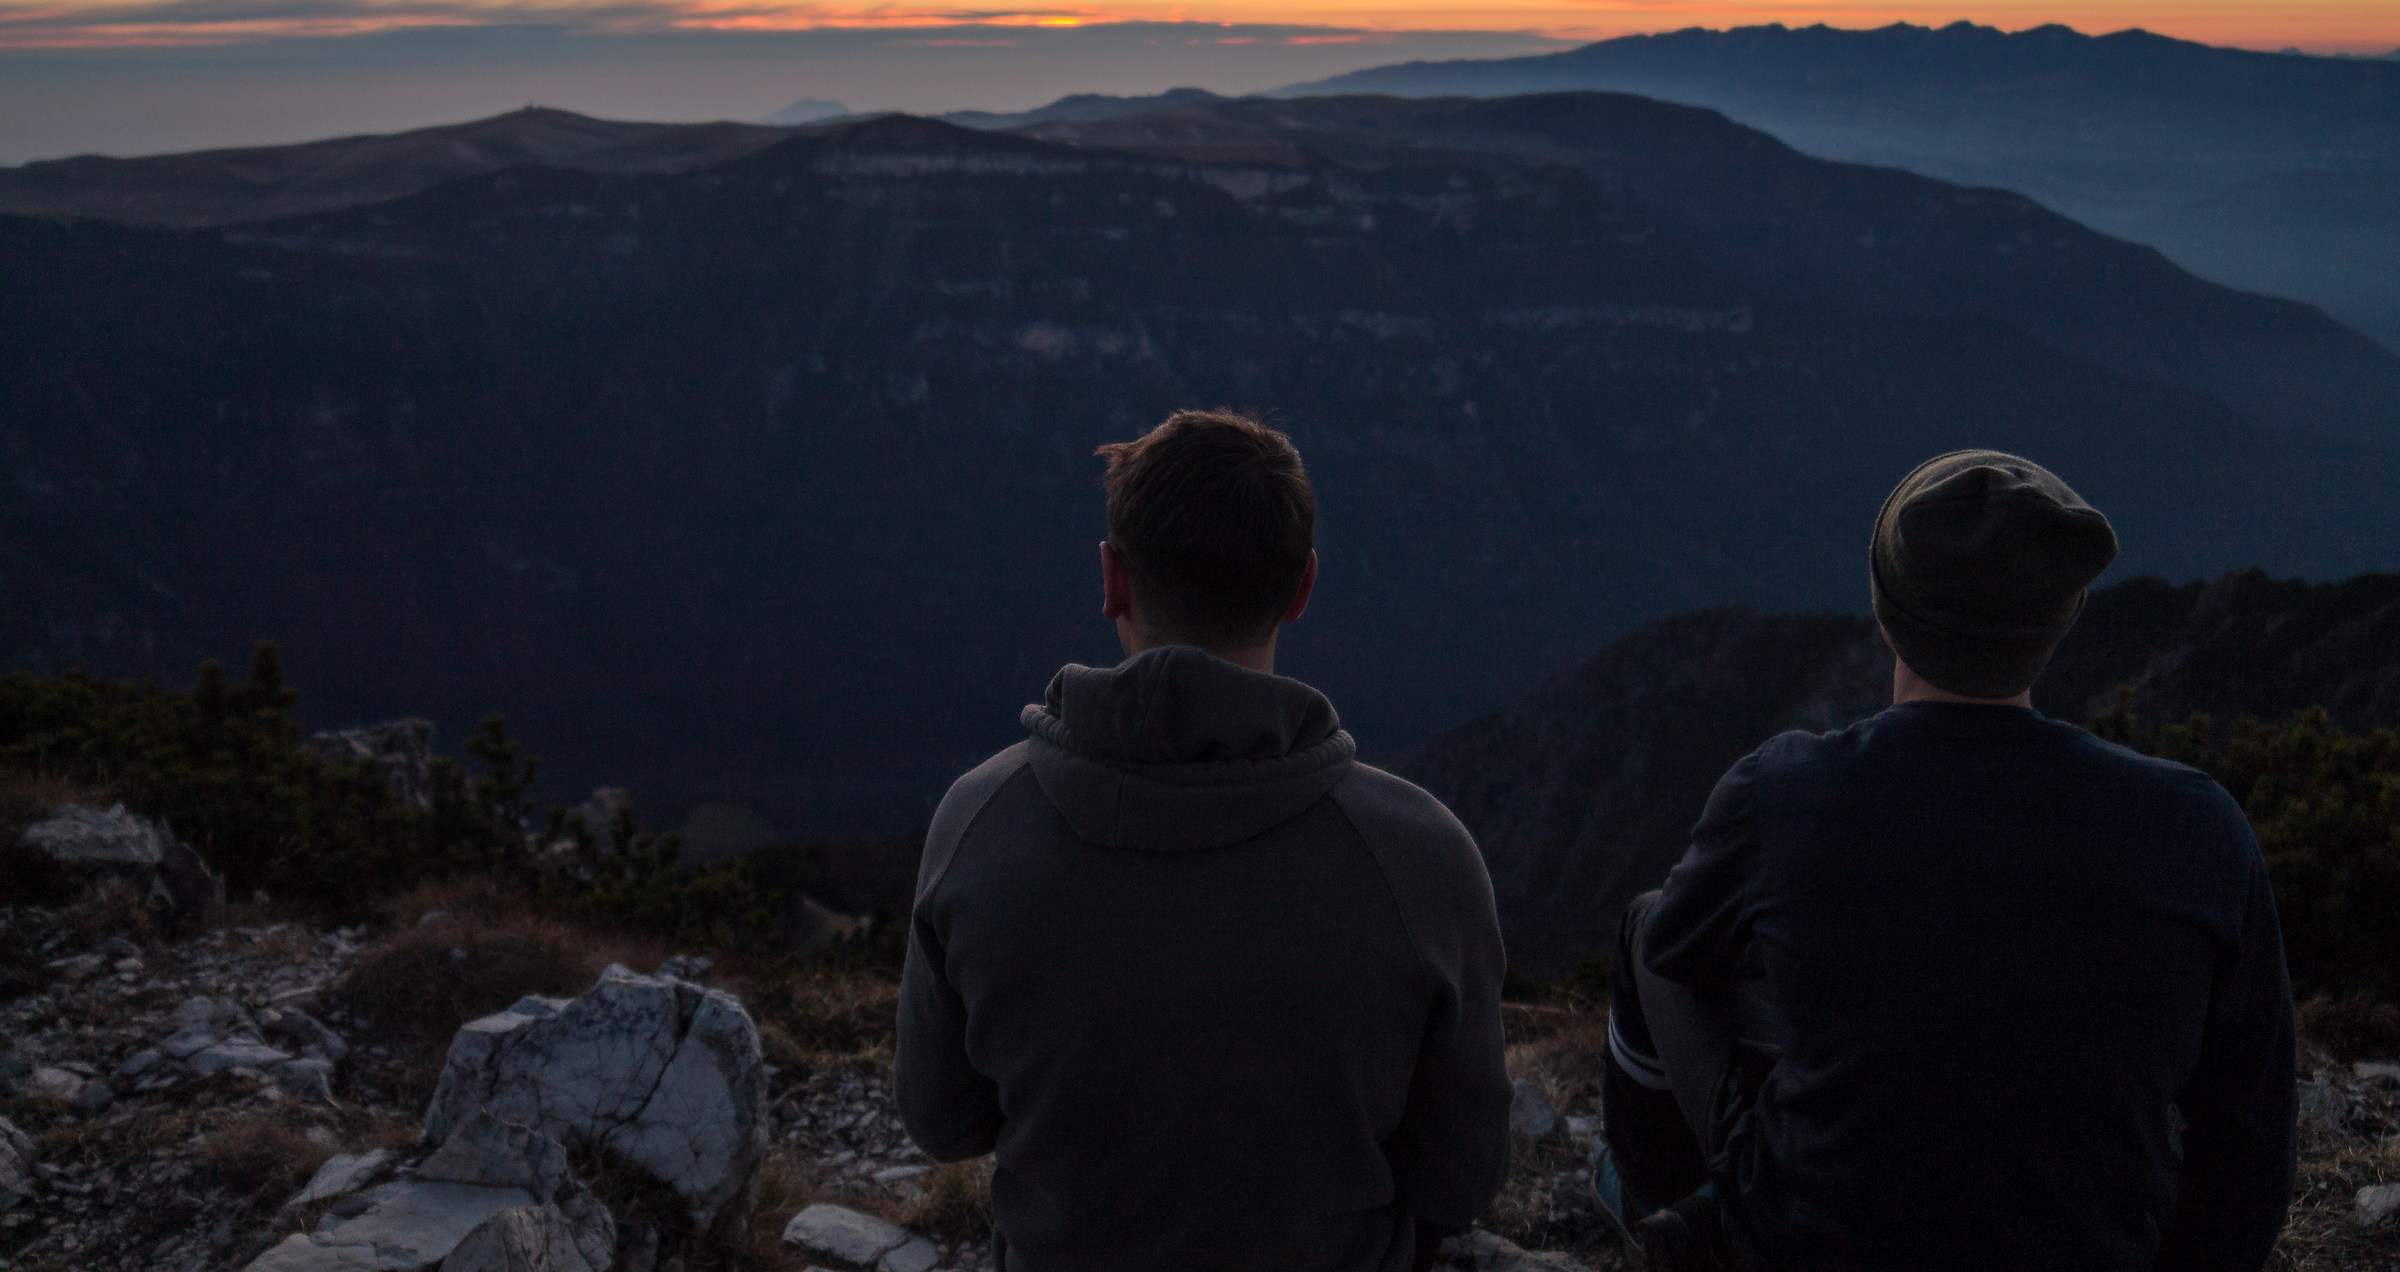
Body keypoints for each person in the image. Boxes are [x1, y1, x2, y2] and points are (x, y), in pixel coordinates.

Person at [1591, 450, 2298, 1272]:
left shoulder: (1781, 795)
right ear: (2060, 618)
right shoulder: (2200, 827)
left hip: (1804, 1247)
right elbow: (2252, 1135)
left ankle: (1660, 1202)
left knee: (1651, 927)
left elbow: (1683, 950)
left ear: (1886, 613)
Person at [896, 409, 1512, 1272]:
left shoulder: (980, 823)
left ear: (1113, 579)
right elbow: (1460, 1176)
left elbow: (942, 1120)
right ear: (1301, 589)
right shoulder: (1421, 858)